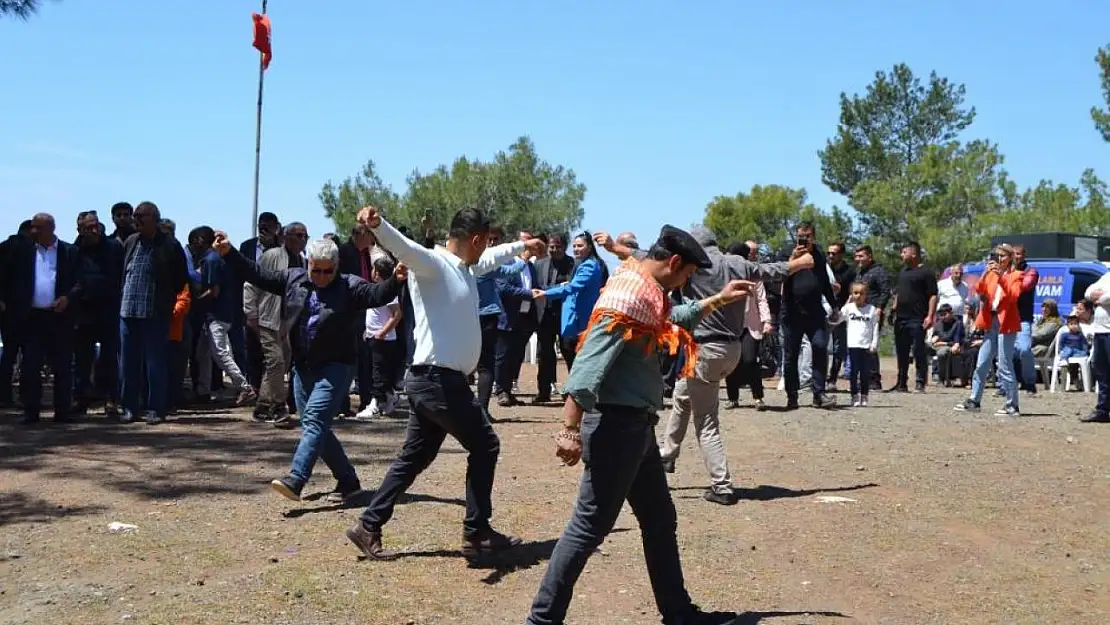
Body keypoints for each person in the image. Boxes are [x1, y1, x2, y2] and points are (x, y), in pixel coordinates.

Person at [525, 225, 751, 625]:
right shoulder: (629, 295)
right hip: (616, 427)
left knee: (659, 519)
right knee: (587, 529)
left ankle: (678, 613)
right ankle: (542, 620)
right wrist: (569, 429)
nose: (685, 285)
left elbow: (669, 318)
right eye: (685, 277)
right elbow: (589, 362)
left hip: (635, 428)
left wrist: (716, 300)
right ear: (675, 262)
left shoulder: (645, 287)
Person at [346, 205, 546, 561]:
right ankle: (477, 532)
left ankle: (368, 525)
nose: (487, 249)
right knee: (485, 445)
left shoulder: (466, 268)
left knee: (414, 457)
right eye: (485, 243)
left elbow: (493, 259)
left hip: (432, 381)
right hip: (437, 381)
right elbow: (404, 247)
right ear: (475, 239)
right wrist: (379, 226)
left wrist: (522, 247)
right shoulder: (433, 265)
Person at [214, 230, 405, 502]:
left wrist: (395, 282)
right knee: (315, 425)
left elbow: (377, 294)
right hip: (304, 365)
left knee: (314, 419)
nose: (322, 277)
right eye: (317, 271)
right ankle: (349, 482)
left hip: (337, 365)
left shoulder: (350, 287)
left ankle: (296, 479)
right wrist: (229, 253)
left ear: (336, 267)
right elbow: (259, 275)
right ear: (308, 265)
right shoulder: (294, 279)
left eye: (328, 272)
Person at [954, 244, 1023, 416]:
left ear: (1010, 258)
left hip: (1005, 323)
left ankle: (1012, 404)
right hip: (990, 322)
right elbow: (979, 290)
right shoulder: (991, 274)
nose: (999, 259)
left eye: (1002, 256)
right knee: (982, 363)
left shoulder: (1016, 275)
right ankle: (974, 400)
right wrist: (986, 273)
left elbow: (1014, 296)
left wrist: (1001, 276)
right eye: (996, 255)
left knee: (1005, 364)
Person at [357, 256, 403, 418]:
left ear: (377, 272)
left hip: (383, 339)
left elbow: (397, 315)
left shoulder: (389, 292)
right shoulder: (374, 289)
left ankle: (376, 402)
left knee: (379, 373)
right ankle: (389, 398)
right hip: (371, 336)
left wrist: (382, 333)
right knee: (374, 371)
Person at [841, 281, 879, 407]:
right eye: (855, 293)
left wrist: (874, 343)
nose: (858, 296)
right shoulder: (848, 308)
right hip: (853, 345)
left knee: (865, 372)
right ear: (852, 294)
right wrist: (847, 303)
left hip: (866, 346)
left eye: (861, 293)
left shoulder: (871, 310)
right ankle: (854, 395)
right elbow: (838, 318)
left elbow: (875, 327)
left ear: (866, 295)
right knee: (853, 372)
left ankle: (864, 395)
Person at [1080, 269, 1110, 422]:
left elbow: (1107, 297)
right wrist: (1094, 295)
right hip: (1100, 331)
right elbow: (1088, 291)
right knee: (1101, 371)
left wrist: (1101, 297)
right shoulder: (1106, 276)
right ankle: (1103, 409)